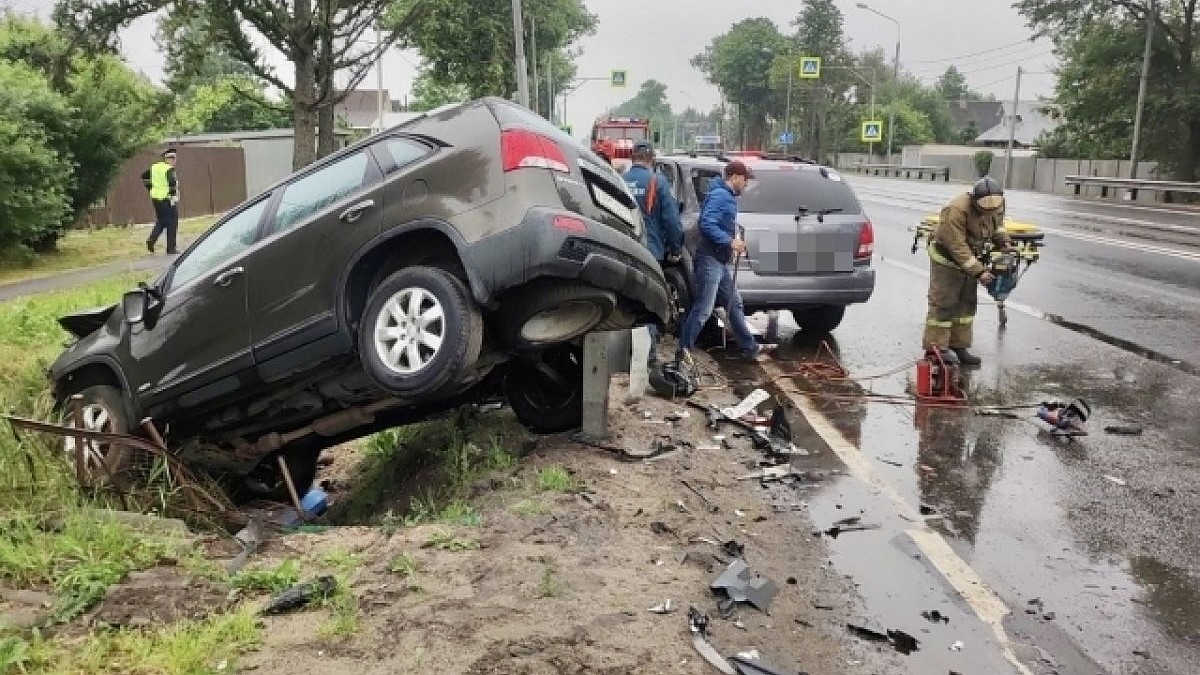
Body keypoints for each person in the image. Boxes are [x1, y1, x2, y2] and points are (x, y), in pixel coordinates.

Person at [676, 160, 774, 362]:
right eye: (745, 181)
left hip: (718, 261)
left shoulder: (724, 195)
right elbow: (707, 224)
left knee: (734, 302)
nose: (746, 185)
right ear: (735, 177)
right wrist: (730, 242)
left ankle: (750, 347)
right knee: (703, 308)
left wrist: (732, 241)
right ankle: (683, 351)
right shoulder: (721, 196)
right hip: (710, 260)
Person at [923, 175, 1011, 366]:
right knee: (944, 303)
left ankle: (958, 346)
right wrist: (979, 271)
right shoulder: (956, 210)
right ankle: (935, 349)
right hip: (947, 259)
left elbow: (998, 225)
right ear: (974, 199)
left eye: (994, 205)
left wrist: (1003, 242)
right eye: (984, 205)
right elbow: (957, 246)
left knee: (966, 306)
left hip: (971, 259)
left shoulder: (996, 205)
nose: (990, 208)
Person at [623, 140, 683, 365]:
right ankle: (646, 358)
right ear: (652, 160)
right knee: (648, 305)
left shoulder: (620, 180)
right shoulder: (658, 182)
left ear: (632, 158)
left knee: (626, 302)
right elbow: (672, 222)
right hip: (650, 253)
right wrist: (676, 249)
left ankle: (623, 355)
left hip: (623, 249)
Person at [142, 148, 180, 254]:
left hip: (156, 199)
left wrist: (150, 188)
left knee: (162, 220)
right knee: (172, 222)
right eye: (174, 158)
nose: (175, 160)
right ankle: (171, 248)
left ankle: (151, 240)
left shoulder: (155, 167)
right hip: (167, 199)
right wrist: (173, 196)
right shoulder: (169, 169)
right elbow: (172, 183)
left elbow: (144, 176)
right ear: (169, 159)